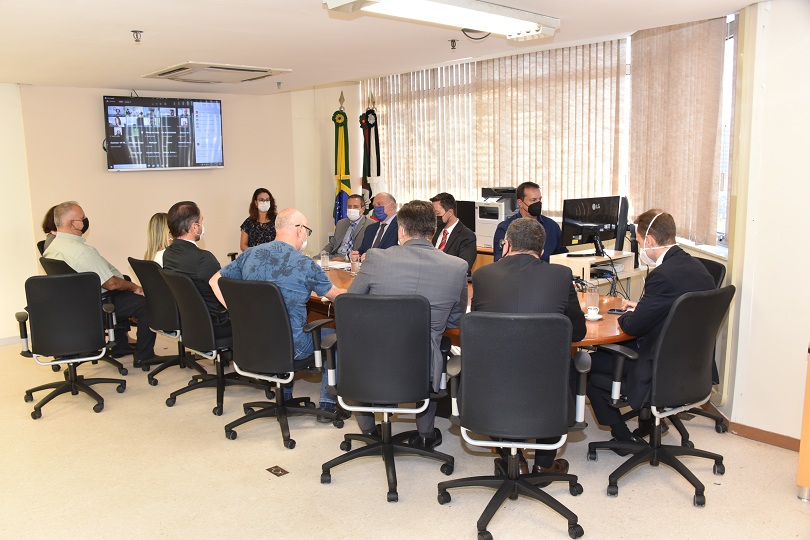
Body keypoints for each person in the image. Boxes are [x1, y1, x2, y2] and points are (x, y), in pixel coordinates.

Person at [585, 209, 715, 446]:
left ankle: (623, 438)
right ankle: (650, 420)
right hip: (690, 365)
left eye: (639, 241)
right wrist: (644, 306)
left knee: (584, 366)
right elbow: (678, 309)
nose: (640, 246)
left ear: (651, 241)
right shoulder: (699, 269)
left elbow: (633, 326)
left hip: (657, 365)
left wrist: (628, 315)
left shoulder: (663, 275)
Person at [348, 200, 468, 447]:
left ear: (401, 229)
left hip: (372, 360)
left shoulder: (376, 258)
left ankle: (369, 432)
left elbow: (351, 306)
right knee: (434, 348)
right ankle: (425, 435)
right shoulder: (457, 267)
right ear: (433, 232)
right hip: (424, 368)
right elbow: (456, 319)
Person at [210, 208, 348, 420]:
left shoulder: (250, 254)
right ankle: (328, 406)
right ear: (299, 230)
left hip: (251, 342)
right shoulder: (305, 264)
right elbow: (336, 297)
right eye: (307, 231)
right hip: (292, 347)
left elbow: (214, 281)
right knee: (335, 338)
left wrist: (237, 312)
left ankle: (284, 392)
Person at [472, 217, 586, 475]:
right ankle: (544, 466)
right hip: (546, 386)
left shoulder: (483, 276)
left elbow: (481, 327)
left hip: (494, 384)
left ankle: (514, 460)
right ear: (542, 250)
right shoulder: (560, 275)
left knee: (500, 363)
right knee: (557, 368)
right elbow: (578, 332)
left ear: (506, 244)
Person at [44, 201, 155, 365]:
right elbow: (111, 284)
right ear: (73, 224)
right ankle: (144, 356)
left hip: (75, 306)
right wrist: (136, 287)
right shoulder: (82, 252)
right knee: (147, 303)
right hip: (97, 306)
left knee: (124, 287)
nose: (85, 220)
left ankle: (120, 346)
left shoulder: (52, 248)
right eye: (83, 218)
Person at [163, 201, 230, 338]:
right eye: (200, 222)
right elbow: (226, 292)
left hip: (190, 324)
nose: (202, 227)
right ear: (194, 227)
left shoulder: (168, 254)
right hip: (217, 325)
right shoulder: (202, 258)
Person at [492, 182, 567, 263]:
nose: (538, 203)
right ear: (520, 203)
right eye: (533, 200)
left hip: (546, 273)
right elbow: (499, 260)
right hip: (517, 273)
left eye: (539, 199)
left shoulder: (552, 226)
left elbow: (562, 254)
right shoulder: (505, 227)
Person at [430, 192, 477, 273]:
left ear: (450, 212)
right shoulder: (433, 230)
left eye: (437, 213)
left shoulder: (467, 236)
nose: (435, 217)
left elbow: (464, 266)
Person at [321, 194, 372, 260]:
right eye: (349, 207)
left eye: (355, 207)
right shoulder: (341, 223)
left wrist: (345, 258)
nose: (351, 209)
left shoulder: (370, 225)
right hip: (335, 259)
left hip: (353, 261)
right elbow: (332, 244)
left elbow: (367, 250)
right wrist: (323, 254)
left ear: (363, 209)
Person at [353, 192, 399, 258]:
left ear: (391, 206)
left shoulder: (401, 227)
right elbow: (363, 250)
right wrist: (357, 256)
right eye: (374, 206)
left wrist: (372, 257)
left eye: (379, 204)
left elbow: (397, 254)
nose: (376, 208)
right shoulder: (370, 228)